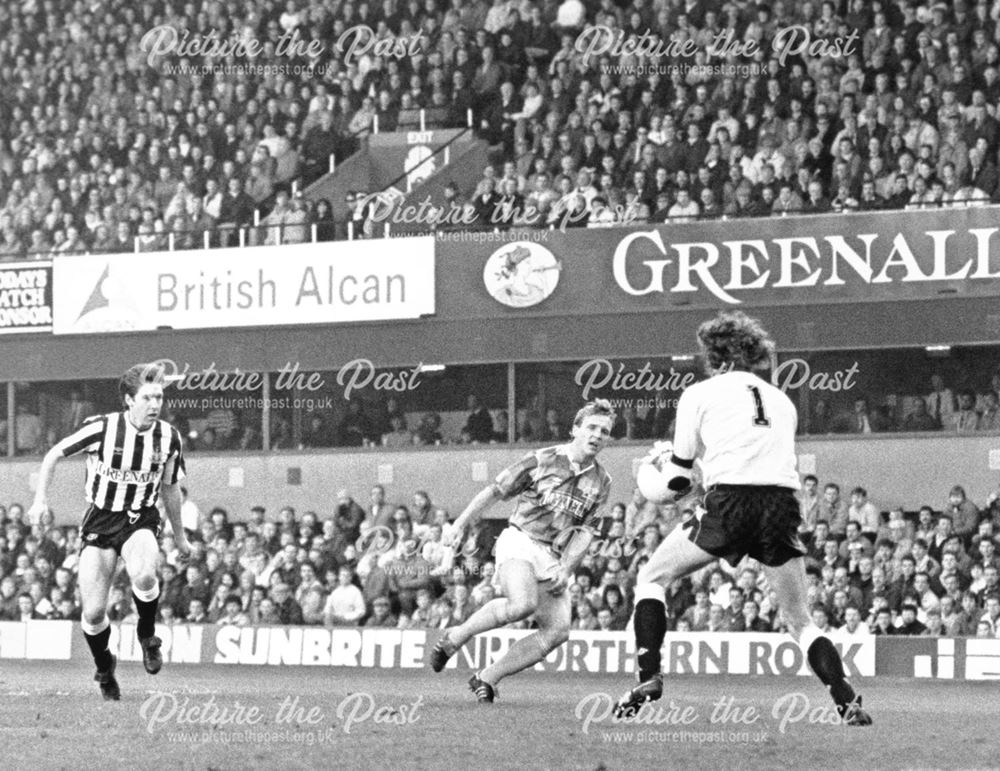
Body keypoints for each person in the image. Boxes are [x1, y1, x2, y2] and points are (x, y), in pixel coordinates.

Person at [613, 311, 871, 725]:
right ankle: (845, 697)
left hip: (731, 500)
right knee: (799, 619)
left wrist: (658, 472)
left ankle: (648, 677)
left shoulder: (700, 393)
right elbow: (754, 455)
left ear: (714, 356)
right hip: (782, 504)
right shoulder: (782, 401)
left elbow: (678, 479)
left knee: (652, 578)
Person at [428, 400, 614, 702]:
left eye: (604, 432)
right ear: (575, 429)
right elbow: (495, 491)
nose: (597, 435)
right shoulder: (542, 459)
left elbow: (586, 531)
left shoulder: (602, 481)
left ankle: (487, 678)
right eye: (591, 427)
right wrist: (460, 524)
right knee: (523, 605)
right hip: (520, 539)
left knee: (558, 631)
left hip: (553, 556)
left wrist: (567, 567)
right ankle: (456, 637)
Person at [27, 363, 190, 700]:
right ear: (129, 400)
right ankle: (105, 667)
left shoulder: (169, 437)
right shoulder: (102, 429)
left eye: (159, 396)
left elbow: (171, 489)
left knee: (145, 575)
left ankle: (147, 636)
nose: (155, 403)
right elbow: (53, 455)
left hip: (139, 518)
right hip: (100, 521)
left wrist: (181, 535)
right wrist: (40, 500)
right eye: (147, 397)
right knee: (93, 612)